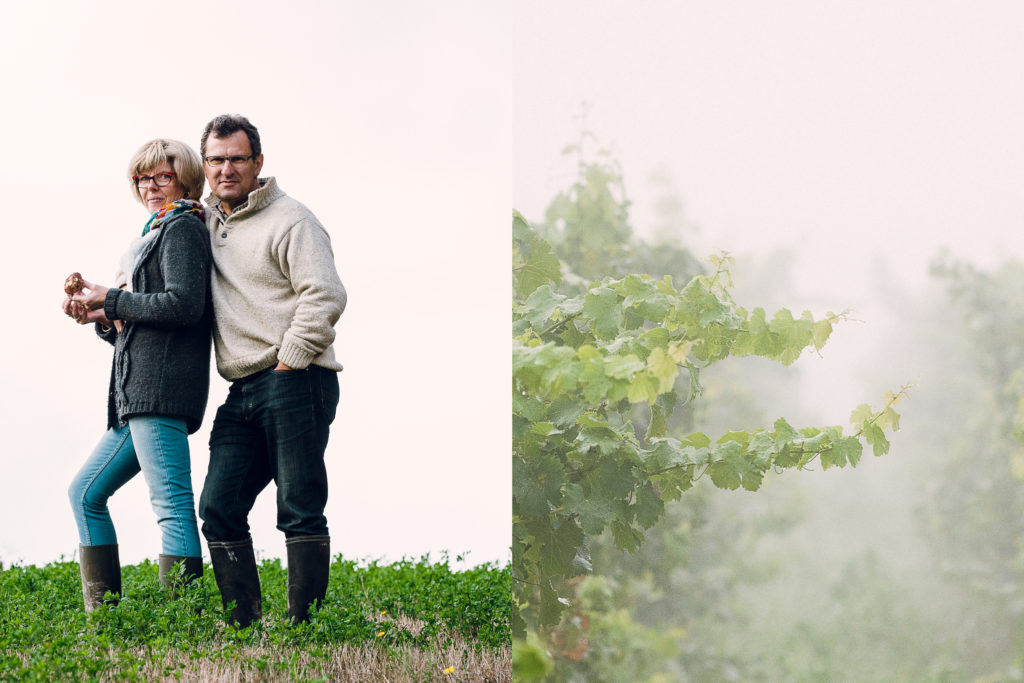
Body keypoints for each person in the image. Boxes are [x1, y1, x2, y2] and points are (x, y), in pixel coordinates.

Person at [196, 114, 347, 626]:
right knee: (218, 505)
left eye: (238, 158)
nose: (226, 169)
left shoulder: (292, 220)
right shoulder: (207, 220)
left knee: (299, 506)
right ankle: (245, 628)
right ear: (205, 166)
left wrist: (290, 358)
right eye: (216, 160)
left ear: (259, 162)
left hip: (295, 378)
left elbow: (325, 294)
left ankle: (307, 631)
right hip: (241, 388)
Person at [65, 139, 213, 610]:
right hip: (135, 396)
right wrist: (103, 317)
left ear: (184, 179)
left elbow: (184, 305)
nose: (150, 186)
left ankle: (181, 628)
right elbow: (140, 324)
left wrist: (111, 298)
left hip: (162, 390)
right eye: (142, 178)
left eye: (161, 177)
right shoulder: (152, 234)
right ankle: (104, 621)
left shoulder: (184, 229)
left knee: (170, 506)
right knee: (85, 492)